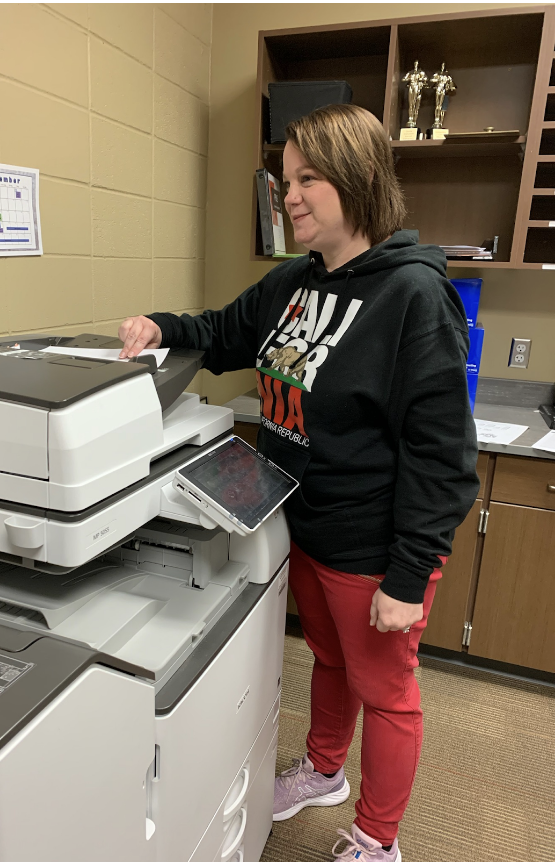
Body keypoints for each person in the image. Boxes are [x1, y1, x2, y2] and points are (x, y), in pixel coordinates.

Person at [118, 104, 479, 862]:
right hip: (299, 525)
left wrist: (408, 576)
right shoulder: (293, 283)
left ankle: (380, 841)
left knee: (387, 693)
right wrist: (160, 326)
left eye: (308, 179)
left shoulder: (414, 298)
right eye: (286, 181)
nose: (289, 197)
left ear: (358, 178)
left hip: (375, 544)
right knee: (330, 661)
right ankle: (322, 771)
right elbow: (221, 332)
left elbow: (442, 456)